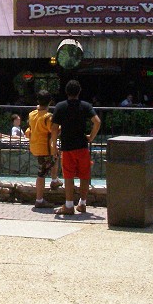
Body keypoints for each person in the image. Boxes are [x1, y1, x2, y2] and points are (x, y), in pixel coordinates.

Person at [50, 79, 101, 215]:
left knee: (68, 176)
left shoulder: (60, 107)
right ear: (79, 92)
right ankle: (82, 204)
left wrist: (54, 145)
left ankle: (68, 205)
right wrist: (91, 137)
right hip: (82, 146)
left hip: (67, 147)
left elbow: (54, 128)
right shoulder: (85, 106)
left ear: (66, 92)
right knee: (84, 175)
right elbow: (97, 122)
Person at [25, 90, 59, 208]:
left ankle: (54, 181)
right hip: (45, 148)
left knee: (55, 159)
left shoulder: (32, 114)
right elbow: (54, 130)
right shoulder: (48, 117)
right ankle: (39, 200)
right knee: (42, 173)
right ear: (50, 102)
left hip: (35, 146)